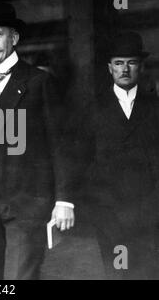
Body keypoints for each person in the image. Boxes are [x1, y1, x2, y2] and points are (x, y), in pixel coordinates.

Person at [0, 2, 75, 280]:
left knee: (21, 275)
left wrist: (64, 199)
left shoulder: (39, 82)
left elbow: (60, 144)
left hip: (26, 199)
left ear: (14, 38)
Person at [57, 31, 159, 279]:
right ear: (109, 68)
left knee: (146, 272)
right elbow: (75, 156)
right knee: (116, 271)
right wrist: (65, 199)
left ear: (141, 67)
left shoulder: (154, 108)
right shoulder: (91, 109)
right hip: (108, 210)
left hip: (149, 212)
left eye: (131, 62)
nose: (125, 69)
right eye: (118, 63)